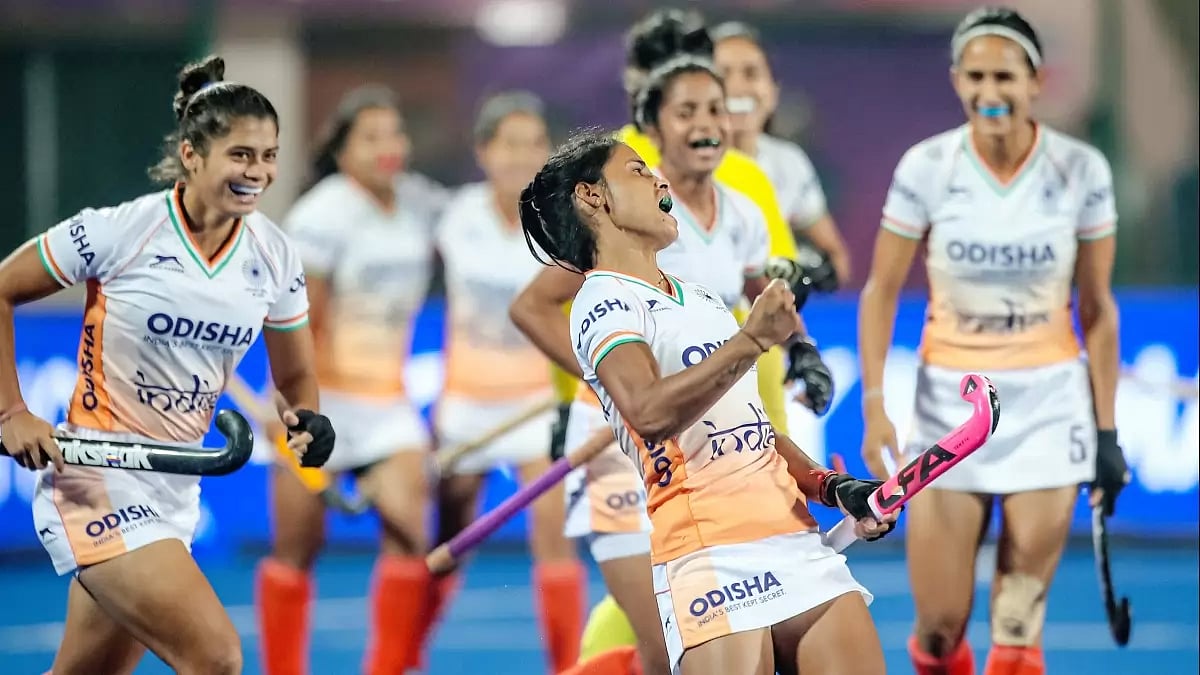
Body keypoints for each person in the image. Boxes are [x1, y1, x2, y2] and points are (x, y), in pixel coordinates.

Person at [0, 55, 334, 675]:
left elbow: (294, 378)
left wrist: (306, 418)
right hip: (94, 477)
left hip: (176, 486)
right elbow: (2, 288)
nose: (257, 173)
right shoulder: (121, 230)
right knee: (216, 657)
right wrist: (11, 412)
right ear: (191, 155)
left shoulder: (275, 254)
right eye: (240, 155)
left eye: (268, 156)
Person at [521, 128, 895, 675]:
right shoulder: (601, 302)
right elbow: (648, 414)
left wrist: (830, 486)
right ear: (592, 197)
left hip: (794, 542)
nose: (659, 180)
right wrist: (751, 341)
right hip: (711, 554)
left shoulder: (697, 297)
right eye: (637, 170)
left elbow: (755, 430)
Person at [857, 8, 1129, 675]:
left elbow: (1096, 308)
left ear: (1034, 81)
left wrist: (1106, 430)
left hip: (1048, 403)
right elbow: (880, 291)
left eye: (1004, 75)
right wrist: (873, 403)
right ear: (956, 80)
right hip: (952, 403)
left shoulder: (1081, 170)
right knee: (941, 628)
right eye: (974, 75)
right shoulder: (926, 167)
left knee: (1017, 621)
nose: (989, 90)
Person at [255, 85, 447, 675]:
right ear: (341, 150)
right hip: (321, 401)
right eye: (371, 137)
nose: (388, 147)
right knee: (297, 549)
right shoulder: (321, 215)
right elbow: (297, 321)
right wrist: (290, 405)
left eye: (395, 134)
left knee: (414, 541)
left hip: (387, 405)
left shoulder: (417, 202)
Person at [424, 90, 584, 673]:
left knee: (552, 538)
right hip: (465, 405)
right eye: (509, 143)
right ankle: (402, 656)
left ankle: (569, 667)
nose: (522, 154)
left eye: (535, 143)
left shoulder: (569, 222)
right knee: (447, 543)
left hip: (539, 405)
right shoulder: (450, 214)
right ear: (483, 150)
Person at [710, 21, 851, 288]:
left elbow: (837, 261)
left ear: (773, 92)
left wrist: (814, 269)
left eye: (751, 73)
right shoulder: (684, 163)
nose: (736, 87)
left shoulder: (788, 162)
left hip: (772, 318)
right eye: (722, 75)